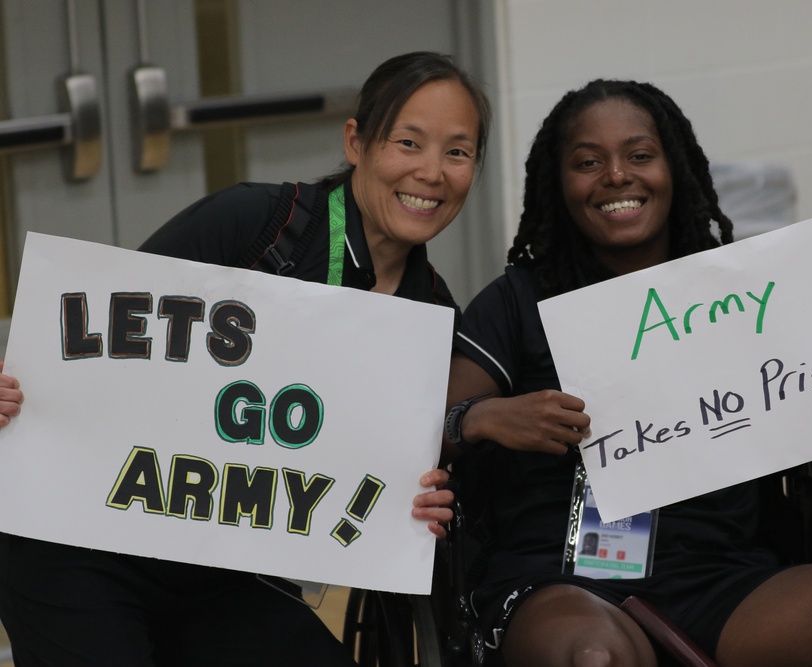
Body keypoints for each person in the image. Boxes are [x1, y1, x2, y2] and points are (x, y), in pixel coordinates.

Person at [443, 79, 812, 667]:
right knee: (594, 656)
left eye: (640, 155)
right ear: (559, 182)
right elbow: (431, 429)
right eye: (588, 162)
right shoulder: (519, 301)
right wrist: (485, 417)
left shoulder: (746, 297)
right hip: (561, 579)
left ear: (674, 169)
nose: (617, 175)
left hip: (722, 577)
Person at [0, 50, 491, 666]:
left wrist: (413, 502)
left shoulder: (432, 318)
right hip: (84, 545)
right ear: (357, 142)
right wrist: (18, 391)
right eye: (408, 142)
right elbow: (92, 339)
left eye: (458, 152)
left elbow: (365, 472)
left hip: (225, 575)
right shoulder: (259, 226)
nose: (431, 172)